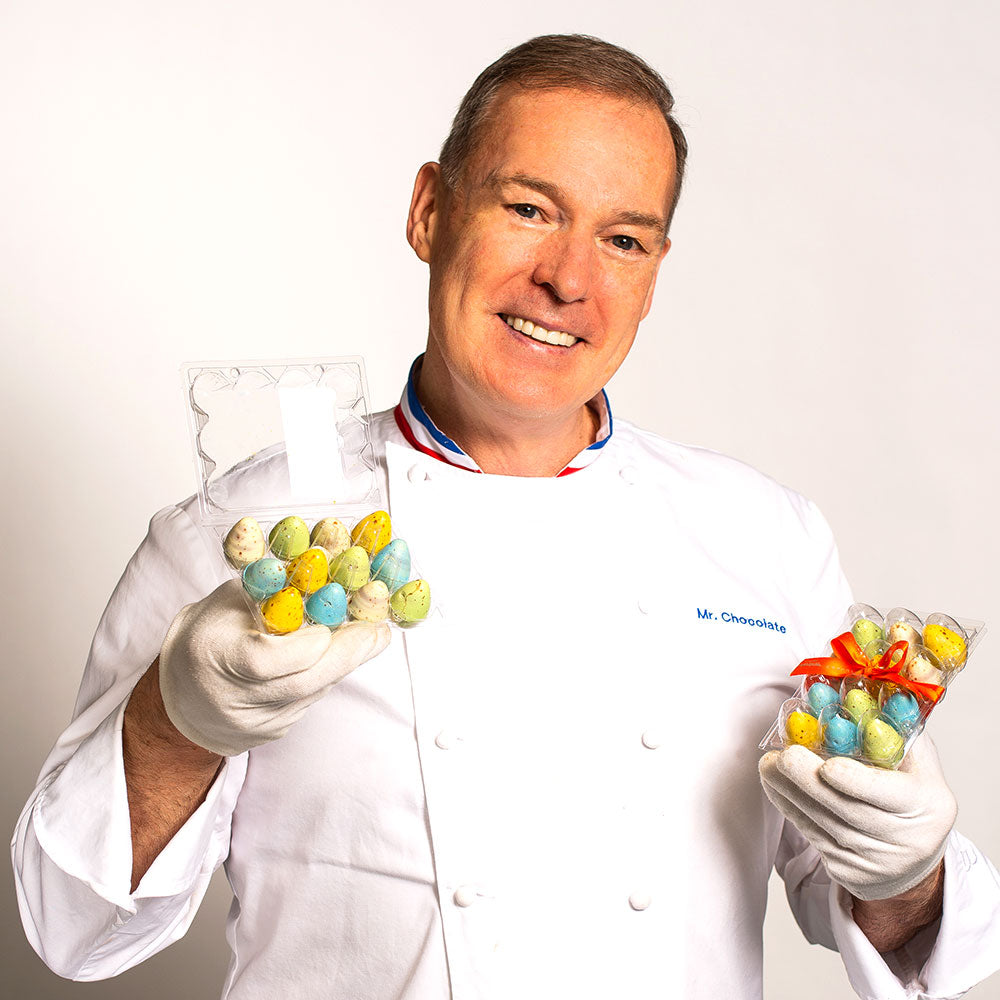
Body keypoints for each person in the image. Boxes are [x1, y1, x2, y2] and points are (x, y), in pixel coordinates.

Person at [12, 34, 1000, 1000]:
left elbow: (885, 928)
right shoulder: (251, 534)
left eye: (621, 239)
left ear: (653, 271)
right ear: (429, 210)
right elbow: (73, 926)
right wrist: (176, 725)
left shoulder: (764, 536)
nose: (568, 279)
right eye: (530, 208)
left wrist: (900, 870)